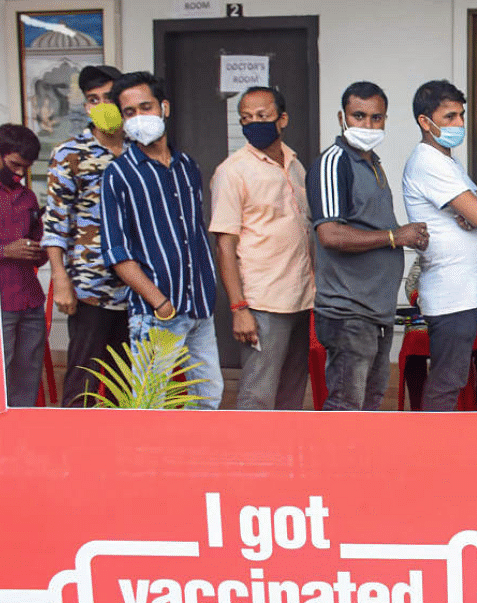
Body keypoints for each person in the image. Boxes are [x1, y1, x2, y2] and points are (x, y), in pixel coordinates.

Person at [99, 72, 223, 409]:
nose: (139, 118)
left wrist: (206, 290)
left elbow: (194, 231)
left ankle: (194, 461)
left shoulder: (187, 167)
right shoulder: (119, 174)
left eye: (146, 107)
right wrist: (161, 303)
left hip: (199, 307)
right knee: (149, 405)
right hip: (158, 314)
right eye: (129, 112)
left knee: (208, 398)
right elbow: (116, 251)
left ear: (164, 107)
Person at [308, 81, 428, 411]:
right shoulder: (334, 163)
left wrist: (407, 235)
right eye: (358, 116)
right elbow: (330, 234)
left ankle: (362, 464)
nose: (368, 125)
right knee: (347, 406)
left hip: (376, 309)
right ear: (341, 118)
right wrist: (394, 237)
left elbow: (371, 225)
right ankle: (338, 465)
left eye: (376, 118)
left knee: (371, 403)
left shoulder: (372, 162)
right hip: (348, 311)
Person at [209, 86, 315, 410]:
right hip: (263, 302)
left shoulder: (296, 165)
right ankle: (252, 460)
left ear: (282, 119)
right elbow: (225, 245)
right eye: (246, 117)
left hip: (301, 297)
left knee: (292, 391)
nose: (254, 123)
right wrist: (239, 308)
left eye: (262, 116)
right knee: (258, 393)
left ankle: (285, 458)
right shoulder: (233, 171)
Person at [402, 80, 477, 412]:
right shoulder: (427, 161)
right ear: (425, 122)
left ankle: (442, 450)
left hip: (464, 289)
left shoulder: (447, 162)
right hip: (450, 291)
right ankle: (430, 456)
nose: (459, 124)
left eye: (461, 115)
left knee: (455, 380)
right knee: (447, 382)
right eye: (449, 116)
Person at [42, 64, 129, 407]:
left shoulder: (143, 149)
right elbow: (56, 222)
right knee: (84, 378)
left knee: (130, 380)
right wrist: (60, 278)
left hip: (139, 287)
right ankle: (75, 451)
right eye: (93, 99)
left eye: (108, 97)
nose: (101, 105)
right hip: (91, 285)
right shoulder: (69, 154)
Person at [0, 123, 46, 407]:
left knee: (28, 380)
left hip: (30, 300)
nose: (20, 173)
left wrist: (45, 248)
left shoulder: (29, 197)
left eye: (26, 167)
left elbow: (38, 244)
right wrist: (3, 251)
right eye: (14, 164)